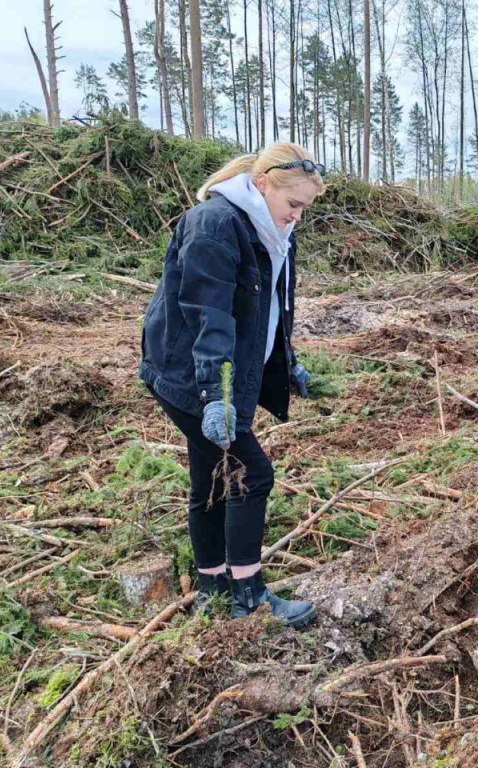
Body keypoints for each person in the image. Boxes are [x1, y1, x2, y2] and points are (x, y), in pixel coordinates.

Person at [139, 143, 325, 627]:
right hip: (193, 378)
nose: (298, 217)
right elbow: (210, 318)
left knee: (212, 477)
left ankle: (212, 587)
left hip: (222, 377)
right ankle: (249, 596)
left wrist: (288, 363)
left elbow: (272, 308)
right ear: (262, 184)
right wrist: (215, 398)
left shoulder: (271, 229)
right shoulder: (216, 225)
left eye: (305, 208)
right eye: (294, 205)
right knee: (251, 474)